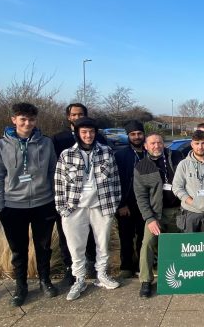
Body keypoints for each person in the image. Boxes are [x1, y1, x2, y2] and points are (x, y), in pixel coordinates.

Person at [0, 102, 60, 306]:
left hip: (43, 203)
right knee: (18, 249)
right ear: (14, 120)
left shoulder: (46, 143)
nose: (27, 123)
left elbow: (53, 172)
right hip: (13, 206)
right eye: (23, 119)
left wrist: (55, 199)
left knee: (44, 246)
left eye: (31, 119)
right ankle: (20, 286)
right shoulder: (2, 144)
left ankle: (44, 280)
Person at [54, 117, 122, 301]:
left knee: (102, 243)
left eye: (91, 132)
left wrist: (113, 203)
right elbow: (59, 183)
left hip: (101, 205)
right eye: (84, 132)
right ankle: (80, 279)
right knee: (76, 246)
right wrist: (62, 208)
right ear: (77, 133)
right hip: (74, 207)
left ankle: (101, 275)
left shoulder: (106, 152)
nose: (88, 135)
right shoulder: (66, 155)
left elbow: (115, 179)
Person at [52, 103, 106, 284]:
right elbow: (57, 176)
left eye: (80, 114)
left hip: (97, 202)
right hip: (73, 200)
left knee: (97, 239)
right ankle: (73, 272)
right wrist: (61, 206)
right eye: (74, 115)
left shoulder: (102, 143)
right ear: (68, 117)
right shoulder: (59, 141)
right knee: (71, 239)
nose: (76, 117)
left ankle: (95, 269)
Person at [134, 133, 181, 298]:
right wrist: (150, 218)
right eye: (152, 143)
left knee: (178, 246)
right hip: (156, 214)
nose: (156, 146)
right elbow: (141, 196)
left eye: (159, 142)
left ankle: (178, 276)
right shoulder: (142, 167)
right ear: (146, 146)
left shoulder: (176, 157)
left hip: (179, 211)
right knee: (147, 244)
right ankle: (146, 281)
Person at [113, 120, 147, 279]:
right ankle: (126, 266)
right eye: (133, 134)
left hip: (145, 205)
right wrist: (121, 204)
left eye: (139, 134)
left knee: (143, 237)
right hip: (126, 204)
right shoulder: (120, 155)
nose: (137, 137)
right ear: (128, 136)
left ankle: (141, 265)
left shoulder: (149, 153)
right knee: (126, 237)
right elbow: (115, 181)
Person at [172, 130, 204, 232]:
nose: (200, 147)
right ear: (192, 144)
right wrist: (191, 201)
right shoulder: (183, 164)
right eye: (197, 143)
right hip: (189, 211)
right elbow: (177, 187)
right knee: (189, 245)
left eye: (203, 143)